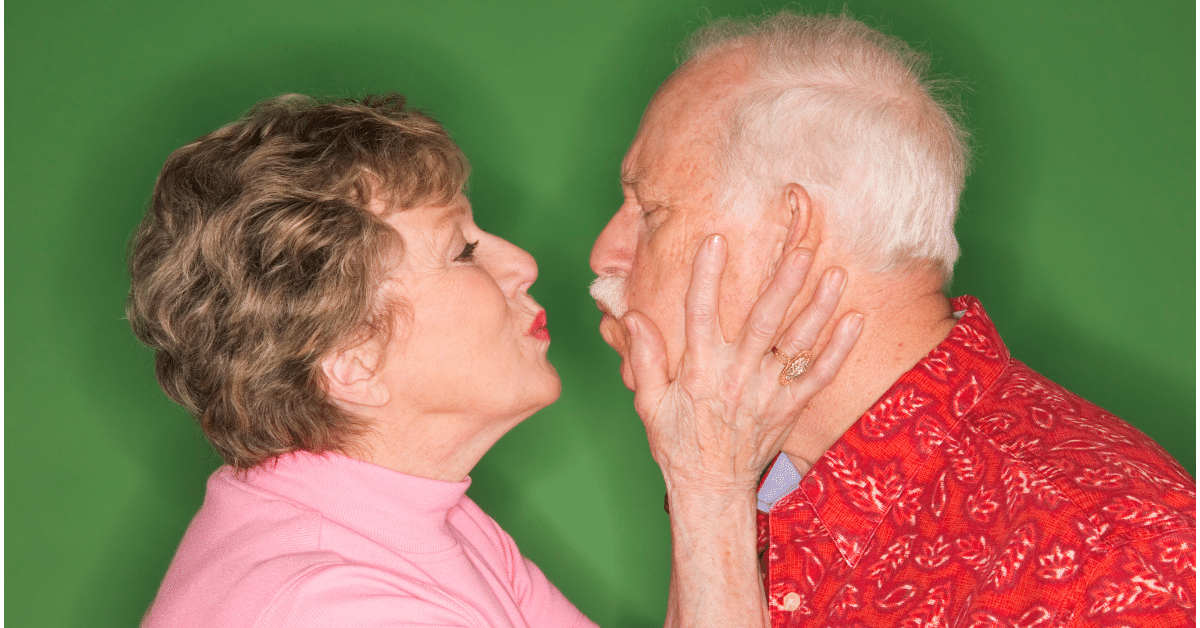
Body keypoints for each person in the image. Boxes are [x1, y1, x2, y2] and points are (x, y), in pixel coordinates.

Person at [128, 93, 860, 627]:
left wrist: (696, 463)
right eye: (463, 251)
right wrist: (710, 485)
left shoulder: (415, 518)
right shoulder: (333, 606)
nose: (523, 263)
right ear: (353, 361)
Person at [589, 11, 1196, 628]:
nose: (605, 253)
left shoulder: (1110, 558)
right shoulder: (754, 475)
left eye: (652, 210)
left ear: (789, 232)